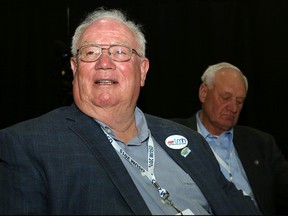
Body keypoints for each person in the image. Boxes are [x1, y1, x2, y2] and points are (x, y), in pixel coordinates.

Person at [0, 9, 261, 215]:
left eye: (120, 52)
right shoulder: (27, 145)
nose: (104, 63)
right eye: (90, 52)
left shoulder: (188, 139)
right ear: (75, 67)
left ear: (143, 71)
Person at [172, 62, 288, 215]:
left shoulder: (261, 143)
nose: (233, 108)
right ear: (204, 93)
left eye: (239, 101)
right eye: (225, 97)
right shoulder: (174, 136)